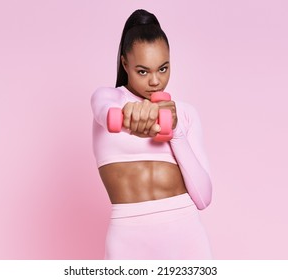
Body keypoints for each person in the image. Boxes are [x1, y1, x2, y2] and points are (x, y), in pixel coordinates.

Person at [90, 9, 212, 260]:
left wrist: (175, 132)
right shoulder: (107, 99)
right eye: (143, 71)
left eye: (163, 69)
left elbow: (203, 197)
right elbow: (106, 113)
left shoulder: (186, 114)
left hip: (185, 232)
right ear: (125, 64)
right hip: (128, 237)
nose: (155, 81)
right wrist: (130, 118)